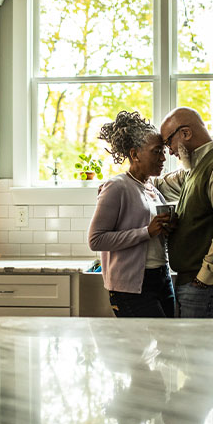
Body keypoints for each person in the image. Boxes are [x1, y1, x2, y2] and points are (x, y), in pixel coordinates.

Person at [155, 107, 213, 318]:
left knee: (199, 350)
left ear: (186, 133)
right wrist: (121, 183)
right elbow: (159, 185)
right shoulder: (195, 168)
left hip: (211, 285)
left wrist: (204, 278)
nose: (169, 151)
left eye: (168, 142)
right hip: (199, 283)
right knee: (196, 350)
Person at [88, 111, 175, 318]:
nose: (163, 158)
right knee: (137, 349)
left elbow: (153, 235)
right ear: (135, 154)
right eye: (156, 152)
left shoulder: (152, 188)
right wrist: (146, 232)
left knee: (170, 345)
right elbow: (96, 240)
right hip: (131, 287)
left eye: (163, 151)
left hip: (162, 277)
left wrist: (167, 228)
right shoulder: (116, 187)